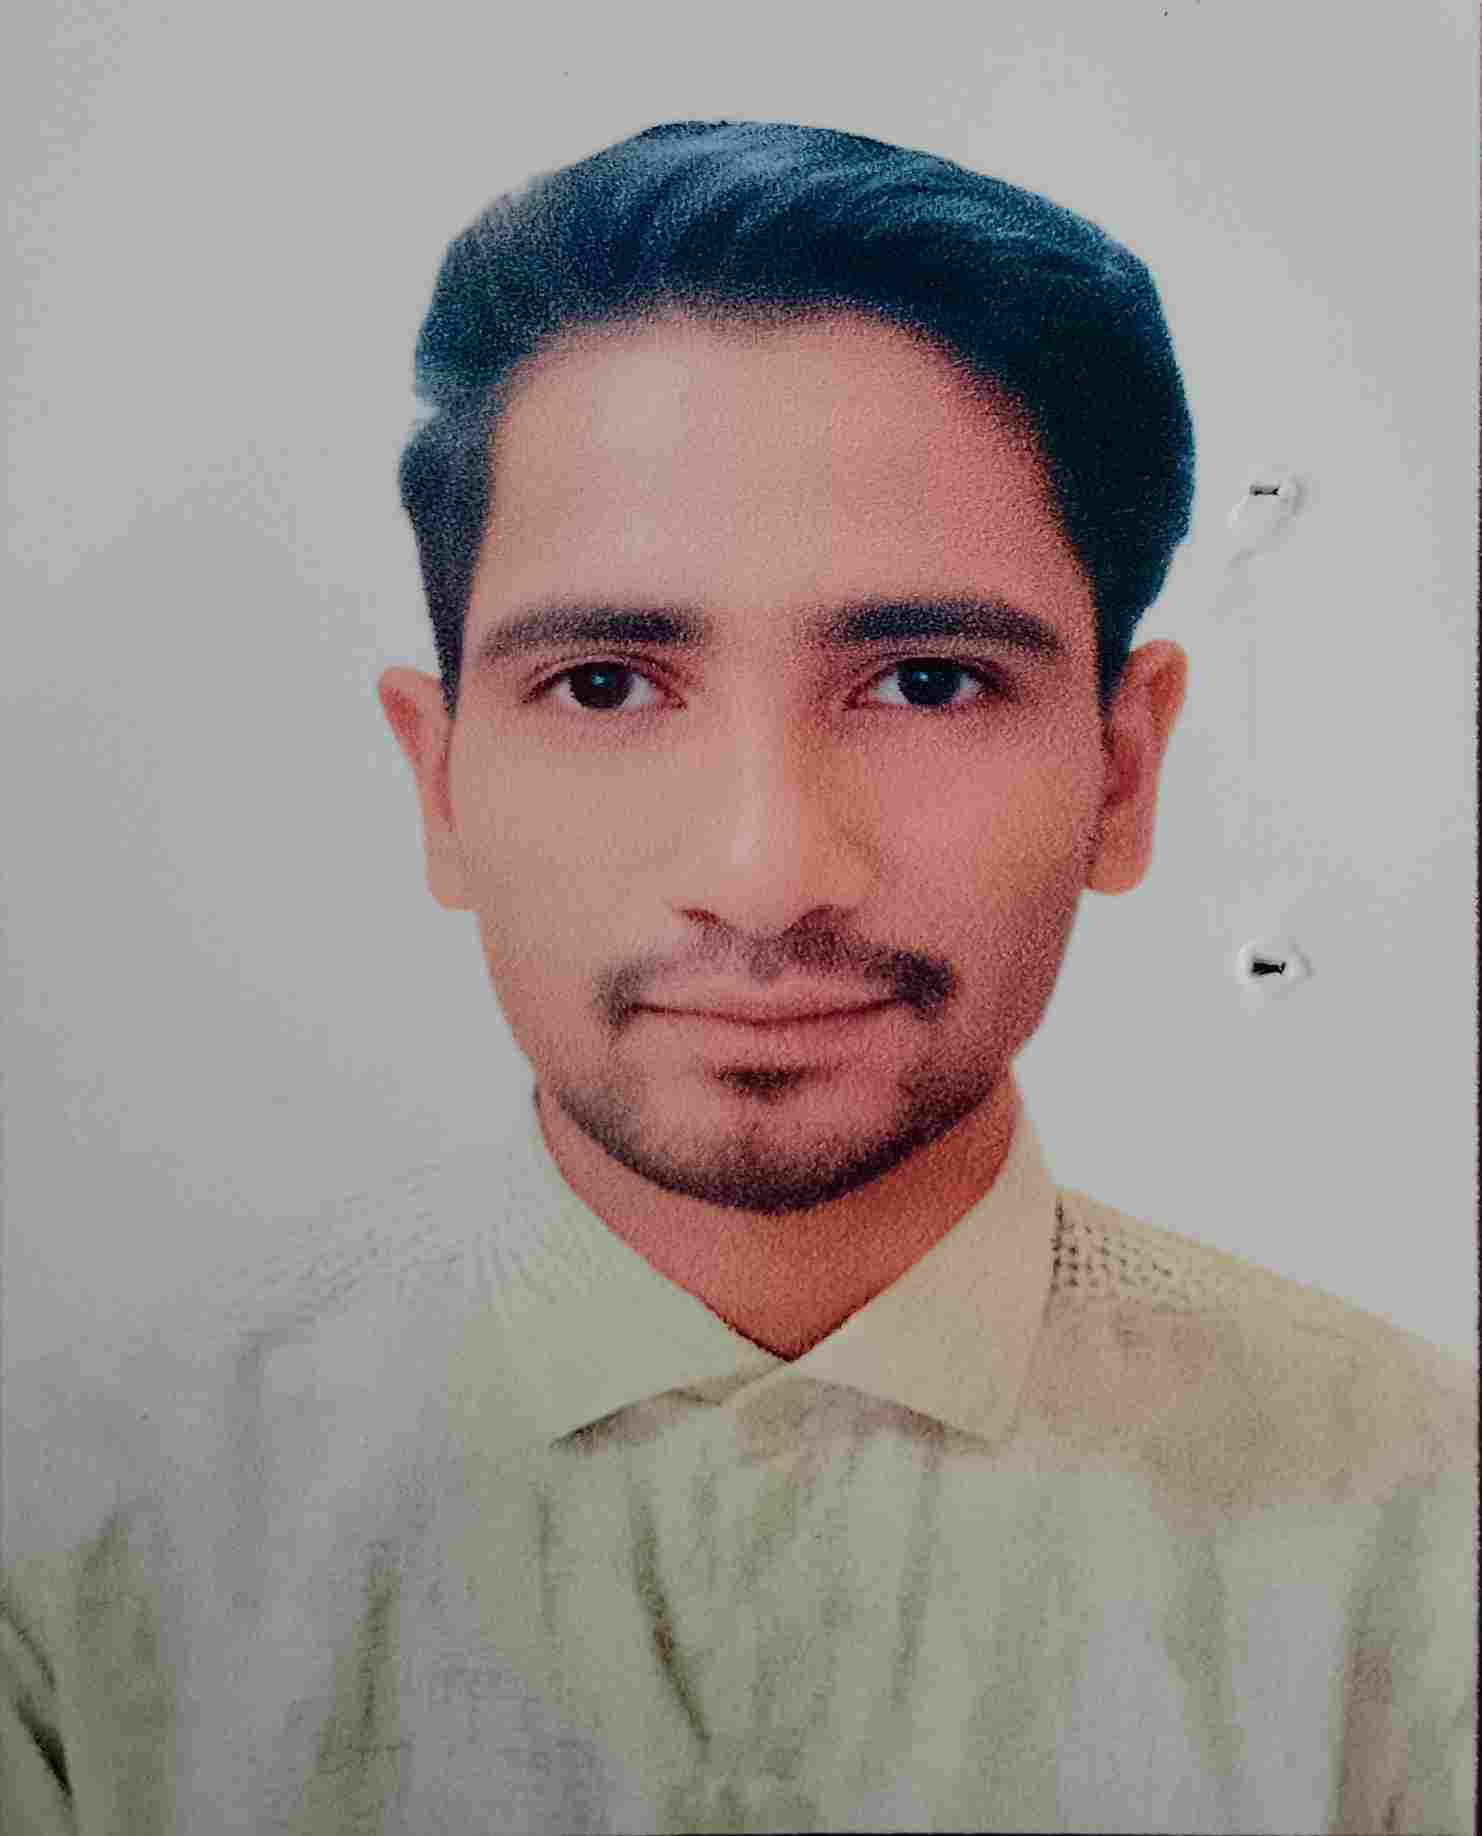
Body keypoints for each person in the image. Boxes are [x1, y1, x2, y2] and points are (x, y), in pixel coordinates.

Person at [1, 120, 1473, 1835]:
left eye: (925, 682)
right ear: (440, 784)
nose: (768, 871)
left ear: (1122, 774)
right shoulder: (63, 1555)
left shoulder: (1430, 1545)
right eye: (606, 686)